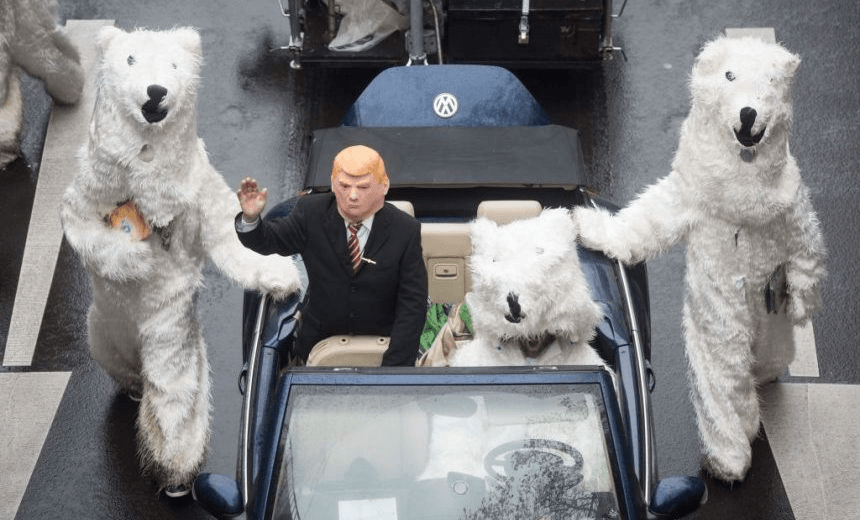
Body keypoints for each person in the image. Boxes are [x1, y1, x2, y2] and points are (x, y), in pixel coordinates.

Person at [235, 144, 428, 366]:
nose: (352, 196)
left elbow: (412, 304)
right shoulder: (310, 213)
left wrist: (392, 370)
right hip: (318, 348)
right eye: (345, 186)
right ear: (333, 184)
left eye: (363, 187)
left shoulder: (406, 230)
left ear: (383, 186)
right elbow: (271, 240)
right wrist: (251, 219)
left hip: (379, 346)